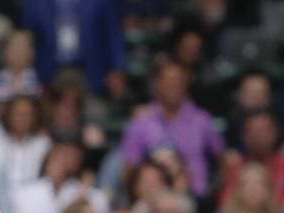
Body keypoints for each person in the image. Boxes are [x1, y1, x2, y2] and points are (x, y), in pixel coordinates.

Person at [120, 59, 224, 199]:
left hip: (196, 202)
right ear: (157, 85)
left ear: (186, 85)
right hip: (152, 203)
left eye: (179, 80)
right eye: (168, 80)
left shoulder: (202, 120)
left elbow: (222, 159)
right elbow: (130, 169)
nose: (174, 85)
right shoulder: (141, 123)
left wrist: (215, 194)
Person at [19, 0, 126, 99]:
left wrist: (117, 68)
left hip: (90, 70)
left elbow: (113, 35)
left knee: (95, 113)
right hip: (48, 71)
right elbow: (27, 36)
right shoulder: (34, 2)